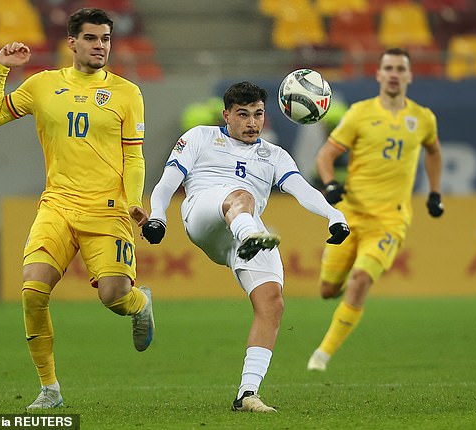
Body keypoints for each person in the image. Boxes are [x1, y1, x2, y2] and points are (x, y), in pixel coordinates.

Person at [0, 8, 155, 409]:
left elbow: (134, 157)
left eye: (106, 39)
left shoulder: (128, 93)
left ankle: (140, 303)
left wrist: (134, 202)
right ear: (72, 42)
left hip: (108, 209)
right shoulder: (43, 85)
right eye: (92, 39)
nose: (100, 46)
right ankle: (50, 389)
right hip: (57, 205)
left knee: (114, 297)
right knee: (32, 290)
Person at [141, 82, 350, 412]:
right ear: (226, 115)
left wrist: (334, 215)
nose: (252, 123)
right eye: (243, 115)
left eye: (258, 115)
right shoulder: (199, 137)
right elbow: (167, 182)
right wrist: (158, 216)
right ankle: (250, 234)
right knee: (242, 197)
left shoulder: (274, 154)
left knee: (273, 302)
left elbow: (302, 189)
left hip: (243, 231)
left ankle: (247, 394)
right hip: (204, 214)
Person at [307, 48, 444, 372]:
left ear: (409, 76)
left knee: (360, 280)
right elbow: (325, 156)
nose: (394, 73)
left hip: (389, 221)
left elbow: (434, 152)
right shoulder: (359, 114)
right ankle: (340, 299)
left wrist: (435, 193)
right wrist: (329, 184)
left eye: (400, 68)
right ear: (379, 75)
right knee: (328, 290)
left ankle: (321, 356)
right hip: (351, 215)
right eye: (388, 68)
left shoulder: (423, 118)